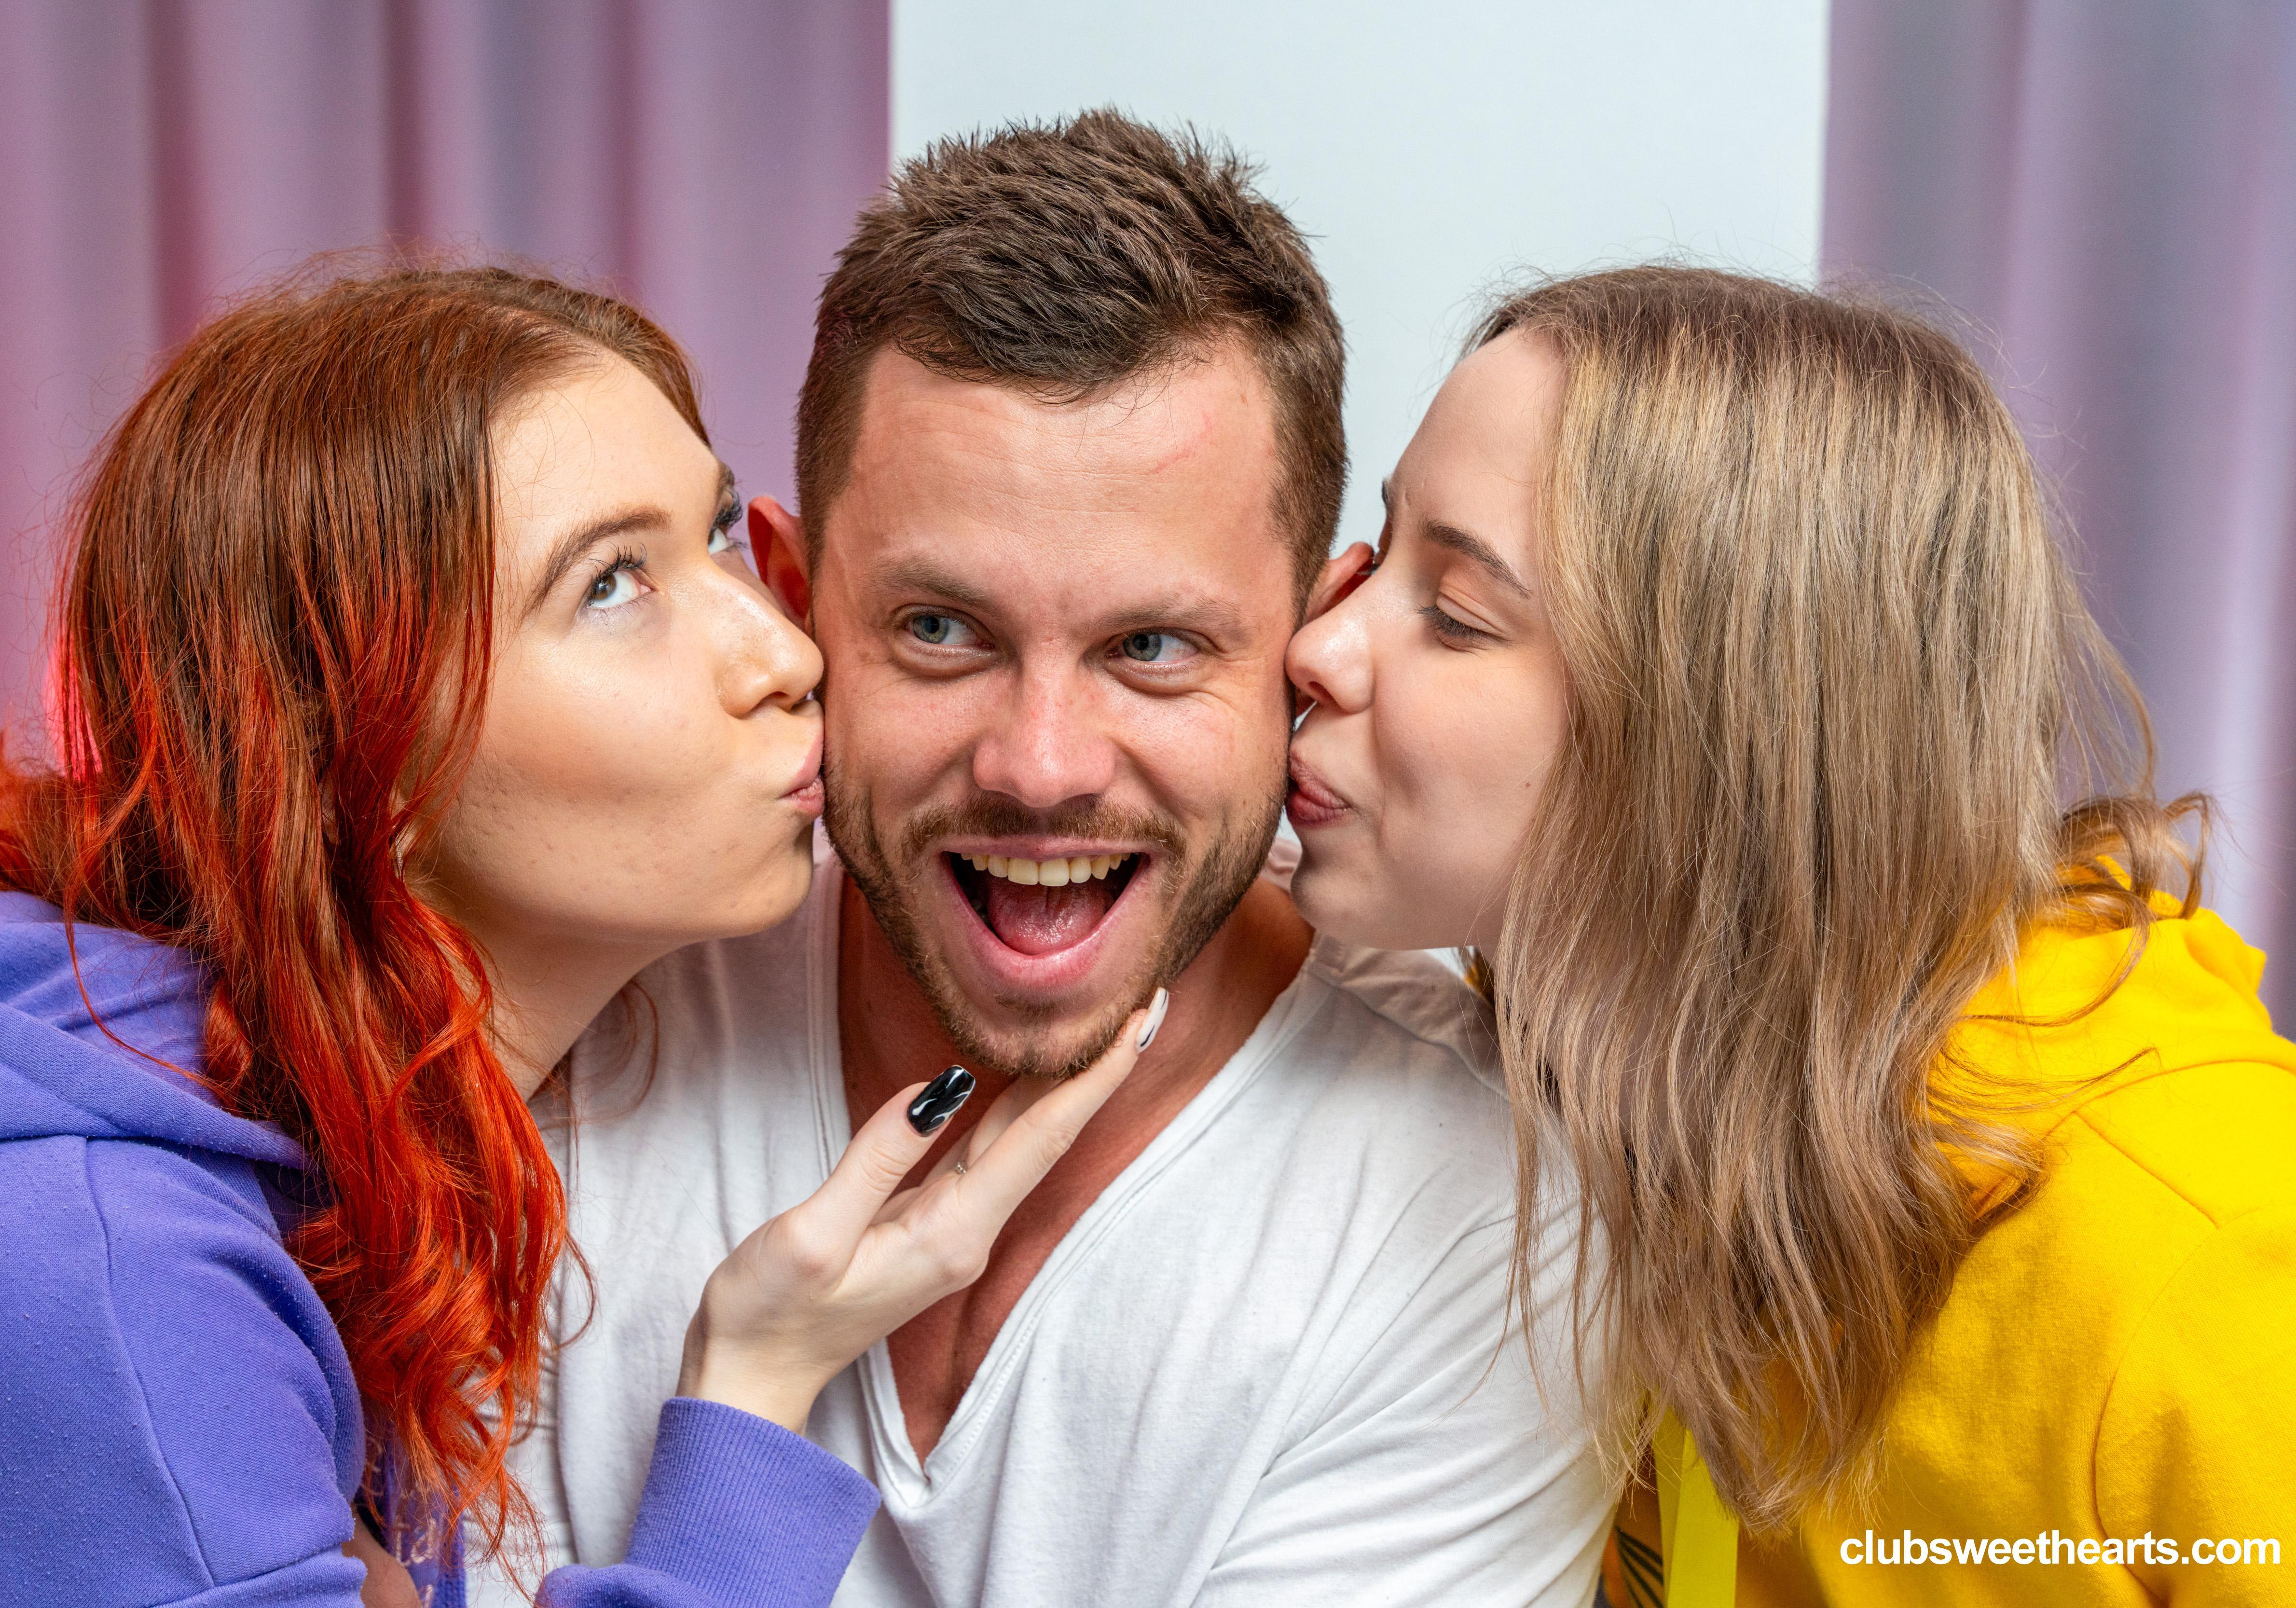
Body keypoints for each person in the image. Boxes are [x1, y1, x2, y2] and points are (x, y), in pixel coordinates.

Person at [0, 264, 1162, 1608]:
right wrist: (753, 1402)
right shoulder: (104, 1280)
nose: (784, 655)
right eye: (611, 585)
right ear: (359, 765)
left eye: (715, 535)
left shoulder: (317, 1156)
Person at [502, 112, 1613, 1608]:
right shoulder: (573, 1024)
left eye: (1152, 647)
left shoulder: (1484, 1209)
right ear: (788, 599)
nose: (1040, 767)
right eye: (940, 631)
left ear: (1308, 643)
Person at [1283, 264, 2296, 1607]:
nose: (1317, 644)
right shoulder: (1594, 1083)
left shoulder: (2201, 1260)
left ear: (1723, 736)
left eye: (1457, 614)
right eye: (1380, 546)